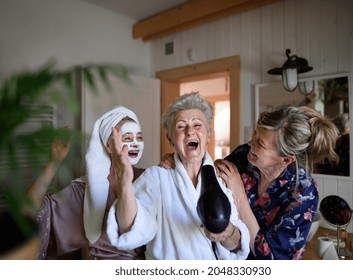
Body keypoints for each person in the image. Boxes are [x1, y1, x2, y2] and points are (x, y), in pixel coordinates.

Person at [106, 92, 250, 260]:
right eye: (181, 126)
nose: (190, 131)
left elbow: (238, 246)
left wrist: (227, 232)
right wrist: (124, 184)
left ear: (208, 134)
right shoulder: (156, 177)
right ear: (170, 138)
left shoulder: (223, 179)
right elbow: (130, 226)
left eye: (197, 125)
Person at [214, 106, 339, 259]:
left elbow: (273, 257)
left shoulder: (303, 193)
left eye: (260, 143)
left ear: (286, 159)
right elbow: (212, 182)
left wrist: (239, 195)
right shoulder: (243, 155)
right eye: (255, 133)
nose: (250, 142)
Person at [31, 106, 146, 259]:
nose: (135, 144)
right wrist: (54, 162)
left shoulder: (148, 179)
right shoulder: (84, 190)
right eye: (127, 138)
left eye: (139, 137)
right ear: (109, 146)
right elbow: (31, 208)